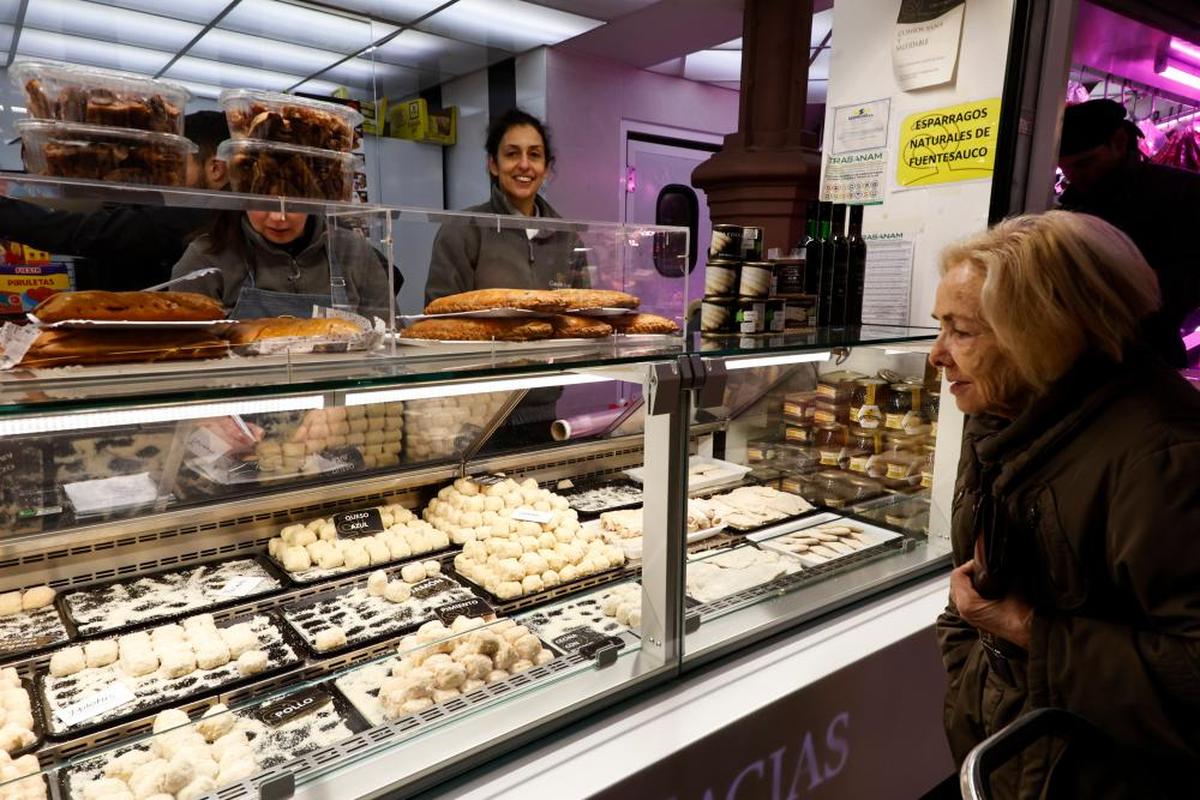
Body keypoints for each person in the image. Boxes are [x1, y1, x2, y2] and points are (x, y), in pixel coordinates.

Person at [931, 210, 1200, 799]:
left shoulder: (1165, 458)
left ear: (1044, 330)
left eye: (962, 331)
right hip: (1013, 758)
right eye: (939, 327)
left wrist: (1031, 633)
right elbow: (979, 586)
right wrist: (971, 658)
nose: (937, 355)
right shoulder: (999, 419)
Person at [0, 111, 231, 290]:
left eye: (176, 162)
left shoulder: (197, 215)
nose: (166, 171)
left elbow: (85, 232)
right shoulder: (181, 208)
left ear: (215, 169)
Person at [1057, 98, 1200, 367]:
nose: (1075, 177)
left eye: (1085, 163)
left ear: (1120, 142)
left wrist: (1137, 285)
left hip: (1150, 360)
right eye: (1066, 170)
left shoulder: (1184, 193)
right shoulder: (1067, 208)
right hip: (1075, 358)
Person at [425, 108, 587, 305]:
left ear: (546, 169)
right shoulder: (463, 229)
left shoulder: (567, 236)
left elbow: (583, 312)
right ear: (493, 164)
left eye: (534, 154)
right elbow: (440, 312)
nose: (524, 164)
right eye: (512, 154)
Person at [170, 209, 395, 319]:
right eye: (263, 200)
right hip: (240, 401)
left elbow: (388, 336)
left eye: (292, 200)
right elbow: (182, 350)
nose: (279, 216)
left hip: (339, 400)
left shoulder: (353, 251)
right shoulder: (205, 257)